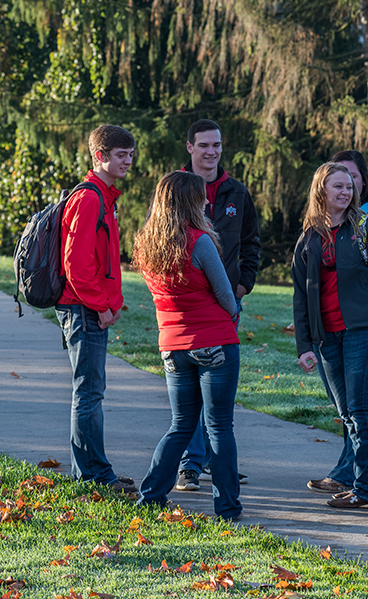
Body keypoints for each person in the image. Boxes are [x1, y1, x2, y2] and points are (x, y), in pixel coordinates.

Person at [134, 171, 243, 521]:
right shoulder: (199, 242)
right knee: (219, 427)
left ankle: (150, 495)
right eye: (201, 198)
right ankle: (227, 507)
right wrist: (234, 312)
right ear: (188, 202)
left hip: (172, 346)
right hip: (213, 342)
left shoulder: (146, 245)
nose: (207, 202)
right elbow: (226, 294)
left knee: (181, 424)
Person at [293, 162, 368, 509]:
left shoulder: (365, 228)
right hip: (327, 338)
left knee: (362, 410)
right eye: (337, 186)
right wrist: (304, 344)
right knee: (349, 414)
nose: (345, 192)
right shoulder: (309, 236)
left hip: (362, 333)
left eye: (349, 186)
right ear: (321, 191)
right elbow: (300, 295)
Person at [174, 119, 261, 492]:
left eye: (217, 145)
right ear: (190, 147)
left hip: (226, 305)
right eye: (204, 145)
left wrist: (242, 285)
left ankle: (217, 462)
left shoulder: (236, 193)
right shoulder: (173, 190)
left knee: (218, 393)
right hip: (188, 305)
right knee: (190, 392)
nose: (212, 151)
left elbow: (251, 242)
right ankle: (188, 466)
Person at [55, 124, 137, 493]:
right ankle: (94, 475)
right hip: (83, 310)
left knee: (89, 391)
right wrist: (101, 305)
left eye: (130, 155)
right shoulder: (89, 198)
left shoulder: (104, 196)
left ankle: (88, 471)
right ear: (100, 156)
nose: (128, 161)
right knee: (88, 393)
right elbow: (76, 265)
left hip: (91, 309)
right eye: (121, 155)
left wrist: (111, 303)